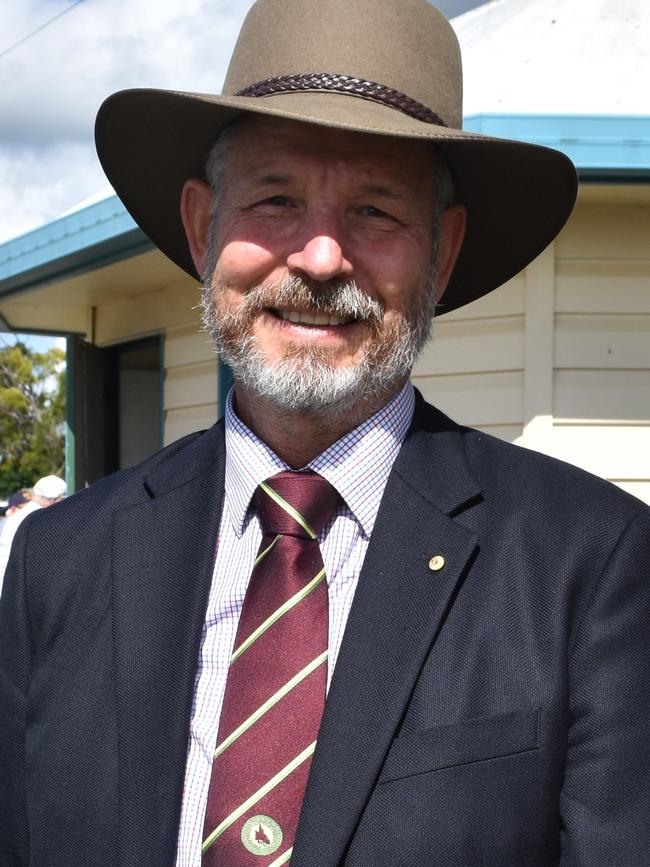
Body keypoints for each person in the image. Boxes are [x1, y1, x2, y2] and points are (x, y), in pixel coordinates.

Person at [1, 1, 648, 864]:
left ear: (443, 254)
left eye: (377, 211)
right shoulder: (57, 561)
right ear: (203, 229)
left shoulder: (591, 565)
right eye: (275, 199)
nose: (319, 258)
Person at [0, 475, 66, 592]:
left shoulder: (12, 519)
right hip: (15, 590)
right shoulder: (40, 521)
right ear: (54, 499)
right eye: (62, 499)